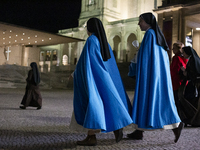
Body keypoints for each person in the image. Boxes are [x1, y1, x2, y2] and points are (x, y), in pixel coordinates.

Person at [70, 17, 133, 146]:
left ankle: (91, 137)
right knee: (105, 104)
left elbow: (85, 62)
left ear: (90, 28)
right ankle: (115, 128)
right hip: (104, 79)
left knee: (92, 106)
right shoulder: (105, 43)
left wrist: (75, 74)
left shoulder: (91, 40)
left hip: (93, 79)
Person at [127, 12, 184, 143]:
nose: (139, 23)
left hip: (150, 76)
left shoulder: (149, 35)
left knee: (151, 101)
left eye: (140, 21)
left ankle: (176, 125)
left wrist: (136, 62)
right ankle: (138, 131)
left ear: (147, 22)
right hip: (156, 75)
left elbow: (145, 57)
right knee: (146, 101)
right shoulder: (156, 35)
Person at [179, 46, 200, 126]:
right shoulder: (193, 60)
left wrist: (185, 72)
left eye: (184, 52)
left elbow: (193, 73)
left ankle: (192, 119)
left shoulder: (192, 61)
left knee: (189, 100)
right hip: (193, 84)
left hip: (193, 85)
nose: (183, 54)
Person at [170, 42, 188, 108]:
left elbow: (174, 70)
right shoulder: (184, 57)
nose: (172, 49)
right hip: (182, 82)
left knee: (176, 99)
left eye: (174, 48)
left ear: (178, 49)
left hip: (176, 82)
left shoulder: (176, 58)